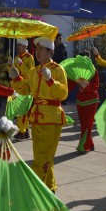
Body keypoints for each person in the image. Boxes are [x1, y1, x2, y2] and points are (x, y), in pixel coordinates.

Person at [9, 37, 68, 192]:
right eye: (37, 50)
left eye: (42, 50)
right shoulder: (34, 71)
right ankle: (50, 187)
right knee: (42, 156)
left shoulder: (57, 70)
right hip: (36, 118)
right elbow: (25, 89)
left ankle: (36, 189)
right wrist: (16, 77)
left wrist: (50, 80)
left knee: (43, 157)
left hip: (51, 118)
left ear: (50, 51)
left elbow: (63, 94)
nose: (38, 53)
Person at [66, 51, 99, 154]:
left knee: (88, 124)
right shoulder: (76, 71)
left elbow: (95, 86)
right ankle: (90, 144)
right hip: (80, 100)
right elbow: (69, 85)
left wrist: (87, 85)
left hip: (91, 100)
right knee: (83, 124)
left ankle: (84, 146)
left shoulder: (93, 71)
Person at [10, 38, 35, 140]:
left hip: (25, 86)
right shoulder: (16, 57)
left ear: (25, 46)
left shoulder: (30, 57)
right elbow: (12, 72)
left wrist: (21, 64)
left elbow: (31, 73)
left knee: (22, 109)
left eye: (20, 45)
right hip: (17, 85)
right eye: (18, 45)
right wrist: (9, 65)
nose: (18, 47)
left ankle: (21, 131)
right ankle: (26, 130)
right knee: (20, 110)